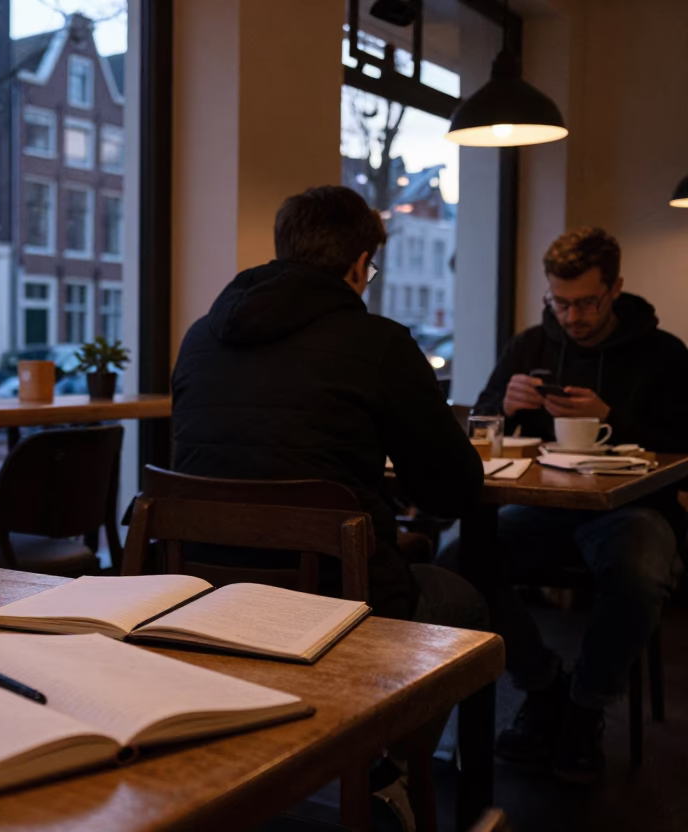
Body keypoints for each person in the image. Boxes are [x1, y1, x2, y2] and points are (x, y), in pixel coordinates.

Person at [172, 185, 485, 627]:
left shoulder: (199, 338)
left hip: (202, 596)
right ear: (359, 264)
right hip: (336, 601)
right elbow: (451, 491)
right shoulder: (381, 344)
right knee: (462, 597)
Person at [469, 226, 687, 783]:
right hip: (543, 506)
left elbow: (684, 444)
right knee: (463, 561)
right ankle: (544, 688)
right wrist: (506, 404)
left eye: (586, 302)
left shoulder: (661, 354)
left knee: (638, 575)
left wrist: (613, 413)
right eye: (559, 303)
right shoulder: (529, 345)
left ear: (616, 287)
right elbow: (483, 422)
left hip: (635, 507)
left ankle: (585, 709)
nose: (572, 317)